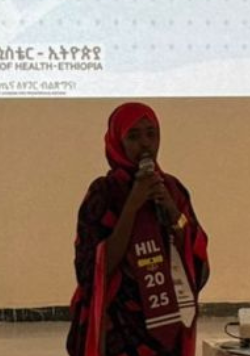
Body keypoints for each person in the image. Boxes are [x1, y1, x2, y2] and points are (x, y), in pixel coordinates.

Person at [67, 102, 210, 356]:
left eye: (151, 134)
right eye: (133, 136)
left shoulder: (172, 189)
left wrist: (173, 213)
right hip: (118, 325)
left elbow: (195, 256)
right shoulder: (104, 193)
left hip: (169, 323)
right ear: (117, 142)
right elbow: (92, 268)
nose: (145, 144)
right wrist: (132, 205)